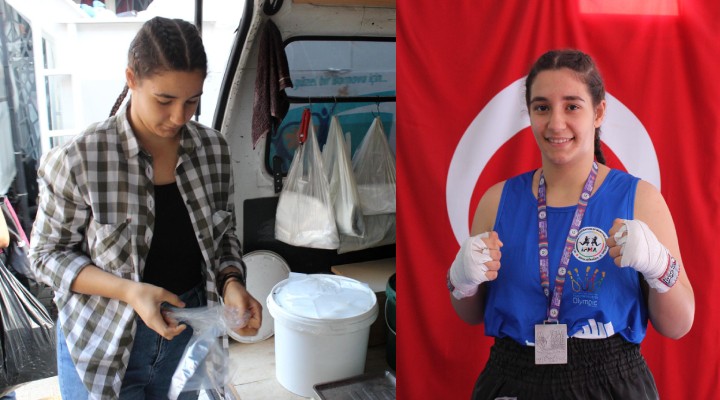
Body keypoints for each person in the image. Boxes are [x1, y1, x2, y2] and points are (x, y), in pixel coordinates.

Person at [29, 16, 262, 400]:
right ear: (131, 79)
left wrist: (232, 283)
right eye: (164, 100)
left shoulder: (213, 151)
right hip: (103, 341)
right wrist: (130, 291)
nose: (179, 117)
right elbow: (45, 256)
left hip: (186, 335)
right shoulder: (80, 159)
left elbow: (223, 237)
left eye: (192, 101)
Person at [447, 49, 694, 399]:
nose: (556, 123)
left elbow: (678, 325)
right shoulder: (496, 201)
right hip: (512, 375)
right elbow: (470, 315)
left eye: (572, 106)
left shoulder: (640, 200)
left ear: (599, 112)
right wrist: (460, 282)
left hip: (610, 379)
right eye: (542, 107)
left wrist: (660, 266)